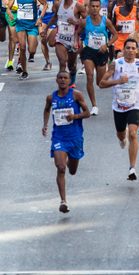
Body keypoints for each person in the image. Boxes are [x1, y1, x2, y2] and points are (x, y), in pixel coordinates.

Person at [99, 38, 139, 181]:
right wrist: (118, 81)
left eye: (133, 48)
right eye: (128, 48)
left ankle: (132, 168)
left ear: (136, 51)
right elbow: (102, 83)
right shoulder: (116, 65)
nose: (130, 51)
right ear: (123, 49)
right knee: (122, 135)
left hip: (134, 104)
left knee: (133, 134)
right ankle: (122, 137)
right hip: (119, 105)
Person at [43, 69, 91, 213]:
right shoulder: (51, 97)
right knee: (60, 168)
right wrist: (45, 124)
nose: (63, 80)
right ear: (56, 81)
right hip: (59, 138)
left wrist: (74, 117)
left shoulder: (76, 95)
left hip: (75, 138)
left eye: (66, 78)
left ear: (70, 81)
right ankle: (63, 201)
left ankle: (71, 160)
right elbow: (46, 110)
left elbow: (87, 113)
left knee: (72, 171)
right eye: (60, 78)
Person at [76, 0, 118, 114]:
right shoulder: (85, 21)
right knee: (89, 76)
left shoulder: (106, 21)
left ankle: (115, 81)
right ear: (89, 7)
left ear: (100, 8)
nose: (94, 8)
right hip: (88, 51)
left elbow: (115, 35)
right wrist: (76, 42)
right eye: (92, 6)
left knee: (100, 83)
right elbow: (78, 33)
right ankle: (94, 105)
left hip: (101, 53)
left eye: (97, 6)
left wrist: (107, 44)